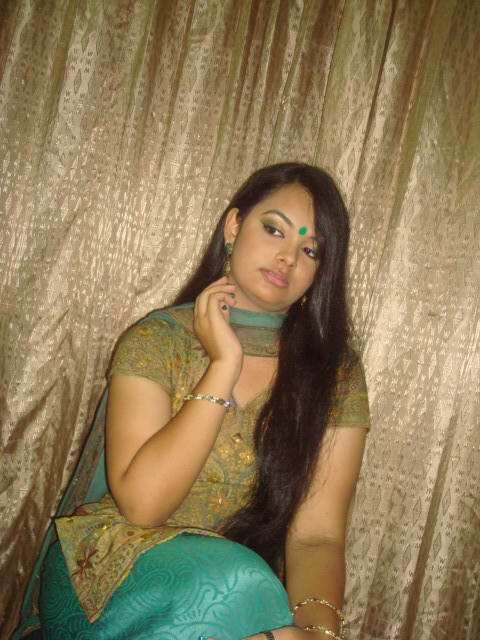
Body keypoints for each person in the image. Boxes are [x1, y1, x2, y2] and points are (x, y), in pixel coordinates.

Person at [35, 162, 370, 639]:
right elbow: (143, 507)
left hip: (233, 591)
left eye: (310, 249)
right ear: (234, 227)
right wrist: (223, 366)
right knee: (241, 586)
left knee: (256, 603)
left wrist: (318, 634)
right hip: (110, 573)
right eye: (274, 229)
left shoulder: (334, 376)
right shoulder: (158, 340)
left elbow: (317, 537)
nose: (287, 257)